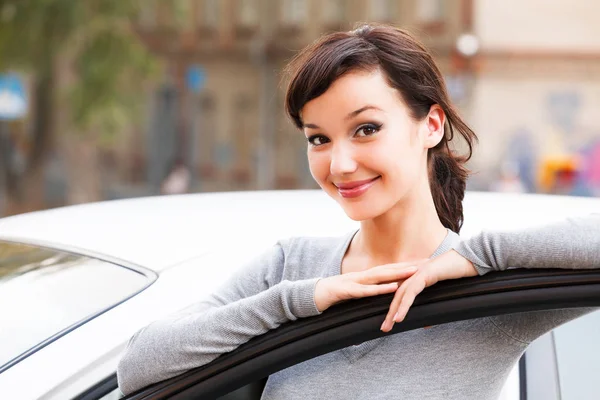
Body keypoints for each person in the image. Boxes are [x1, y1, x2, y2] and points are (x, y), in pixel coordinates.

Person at [117, 24, 600, 398]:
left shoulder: (489, 295)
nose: (340, 164)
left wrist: (477, 258)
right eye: (318, 139)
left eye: (366, 128)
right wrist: (299, 304)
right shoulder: (292, 269)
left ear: (430, 125)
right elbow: (139, 366)